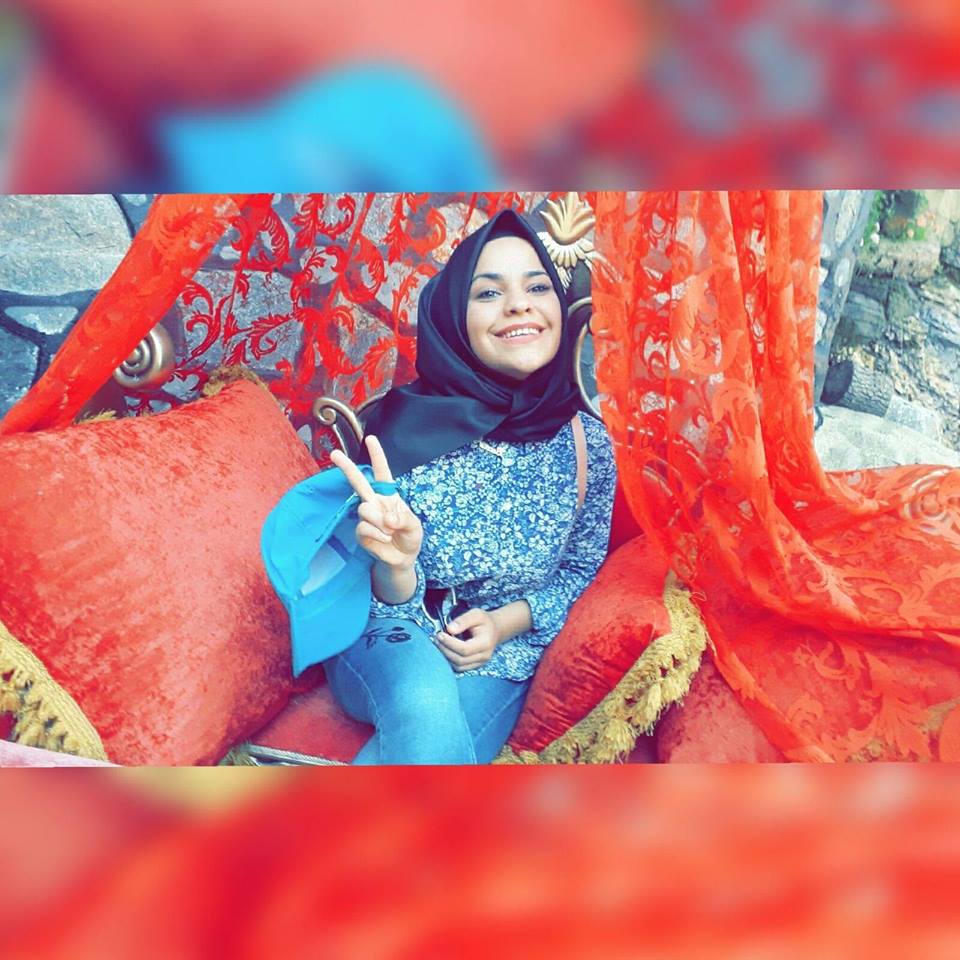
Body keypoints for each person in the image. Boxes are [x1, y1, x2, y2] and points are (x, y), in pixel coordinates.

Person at [325, 209, 617, 764]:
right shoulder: (402, 430)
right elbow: (369, 591)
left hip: (499, 656)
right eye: (488, 293)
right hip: (388, 630)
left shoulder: (587, 444)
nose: (519, 305)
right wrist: (398, 564)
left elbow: (582, 569)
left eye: (537, 287)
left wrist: (503, 624)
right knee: (426, 698)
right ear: (453, 317)